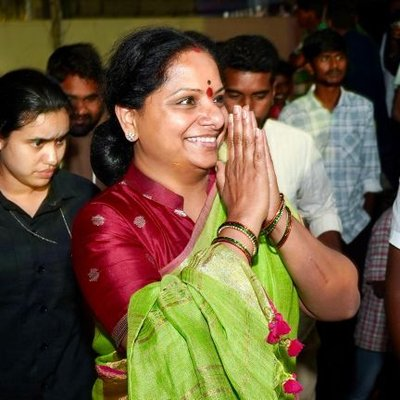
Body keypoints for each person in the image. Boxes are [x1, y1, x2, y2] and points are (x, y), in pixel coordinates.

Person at [72, 27, 359, 399]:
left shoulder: (242, 186)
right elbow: (169, 353)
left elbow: (342, 301)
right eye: (187, 101)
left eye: (218, 98)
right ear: (129, 119)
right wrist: (242, 224)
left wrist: (273, 211)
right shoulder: (105, 222)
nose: (216, 117)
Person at [218, 33, 342, 400]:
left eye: (259, 96)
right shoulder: (203, 146)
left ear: (275, 92)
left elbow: (322, 208)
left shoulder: (295, 142)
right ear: (219, 92)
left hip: (293, 315)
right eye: (234, 95)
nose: (246, 108)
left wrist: (325, 268)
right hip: (225, 313)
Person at [279, 28, 382, 399]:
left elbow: (371, 170)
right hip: (310, 235)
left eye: (339, 57)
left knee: (348, 322)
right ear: (310, 65)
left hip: (354, 229)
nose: (334, 64)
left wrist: (363, 218)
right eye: (325, 58)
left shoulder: (362, 107)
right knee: (312, 324)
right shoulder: (294, 113)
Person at [0, 68, 98, 398]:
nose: (53, 157)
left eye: (60, 141)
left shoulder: (83, 200)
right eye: (37, 143)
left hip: (75, 386)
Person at [46, 43, 108, 187]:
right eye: (71, 99)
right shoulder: (31, 132)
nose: (80, 110)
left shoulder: (123, 132)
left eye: (90, 99)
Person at [348, 208, 391, 400]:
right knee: (362, 391)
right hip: (375, 333)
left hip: (390, 334)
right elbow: (379, 283)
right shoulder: (389, 222)